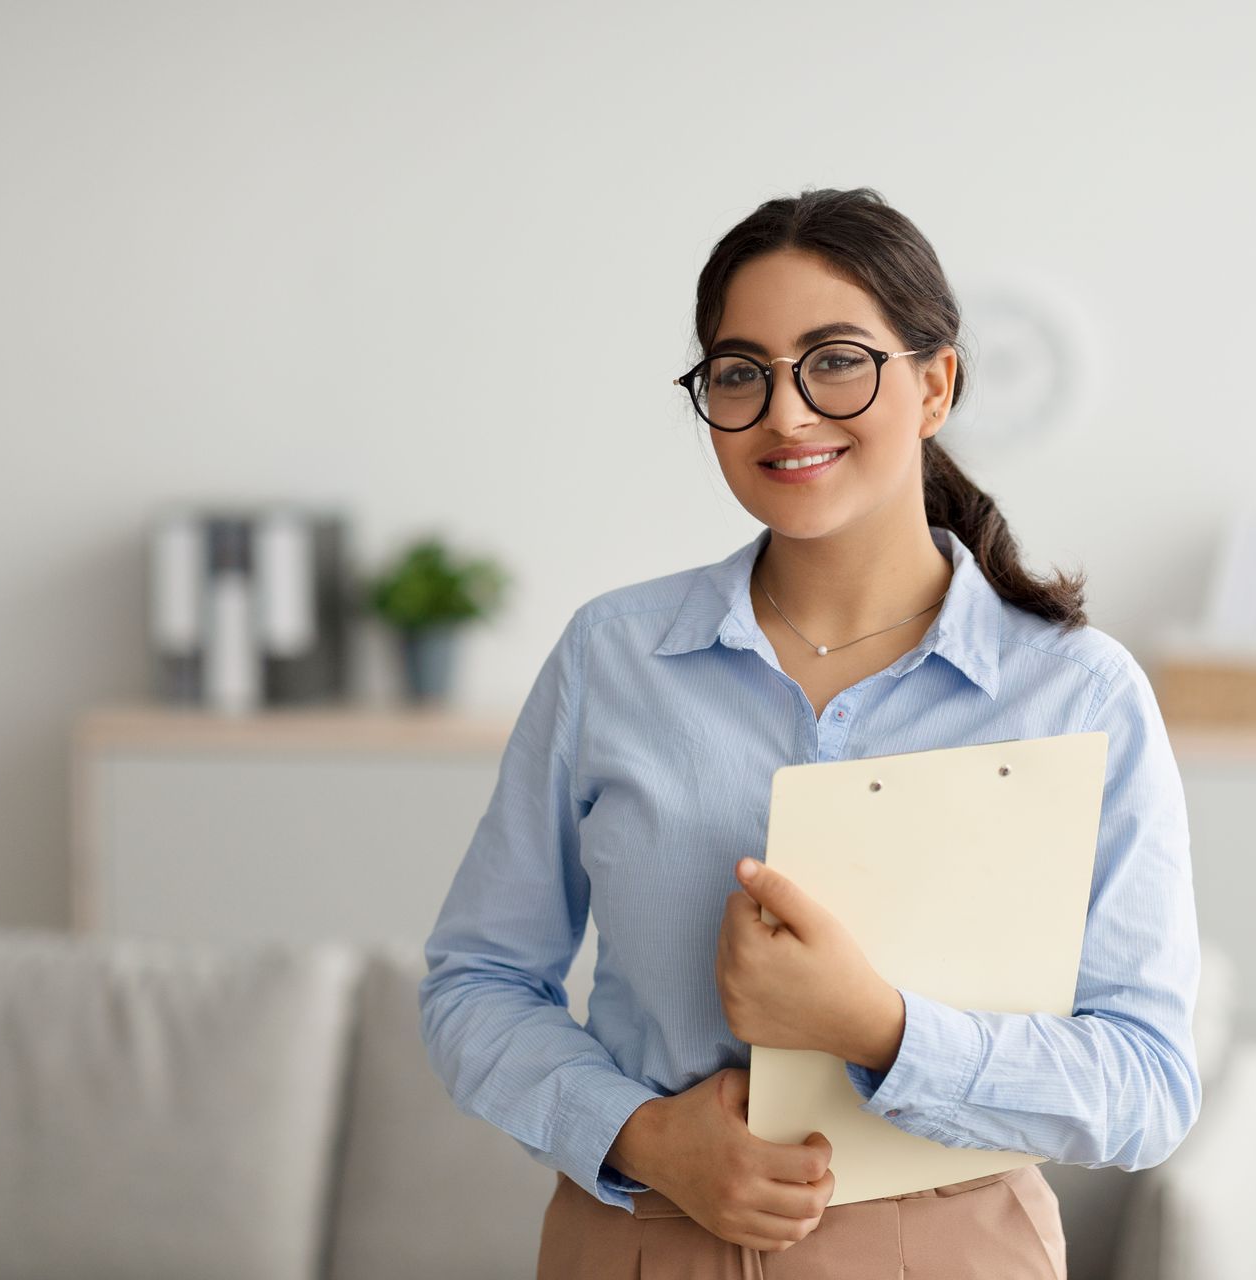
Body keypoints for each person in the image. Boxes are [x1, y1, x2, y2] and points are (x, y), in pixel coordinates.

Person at [418, 186, 1202, 1278]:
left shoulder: (1076, 692)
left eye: (837, 359)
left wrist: (881, 1026)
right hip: (640, 1241)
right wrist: (642, 1137)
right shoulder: (613, 657)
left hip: (949, 1248)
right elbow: (478, 979)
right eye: (741, 372)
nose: (786, 413)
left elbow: (1149, 1083)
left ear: (936, 384)